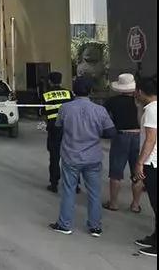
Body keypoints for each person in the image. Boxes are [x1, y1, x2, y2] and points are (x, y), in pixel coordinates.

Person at [49, 76, 116, 237]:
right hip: (93, 157)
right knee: (94, 193)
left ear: (73, 91)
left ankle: (64, 225)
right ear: (91, 91)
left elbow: (58, 127)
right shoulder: (100, 110)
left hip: (71, 156)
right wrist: (95, 133)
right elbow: (111, 132)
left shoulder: (65, 108)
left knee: (68, 191)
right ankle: (95, 227)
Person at [102, 73, 144, 213]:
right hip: (139, 136)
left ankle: (113, 203)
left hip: (120, 136)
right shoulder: (141, 101)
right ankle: (135, 205)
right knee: (137, 172)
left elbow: (105, 118)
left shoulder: (112, 101)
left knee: (116, 172)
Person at [133, 75, 157, 257]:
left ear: (140, 92)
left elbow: (150, 139)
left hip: (152, 162)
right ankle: (155, 237)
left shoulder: (151, 110)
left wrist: (140, 162)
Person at [41, 72, 74, 193]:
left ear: (50, 81)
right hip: (68, 128)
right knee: (71, 157)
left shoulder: (46, 95)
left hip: (54, 129)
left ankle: (54, 183)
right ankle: (75, 184)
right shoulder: (69, 93)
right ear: (61, 81)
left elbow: (43, 113)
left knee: (54, 157)